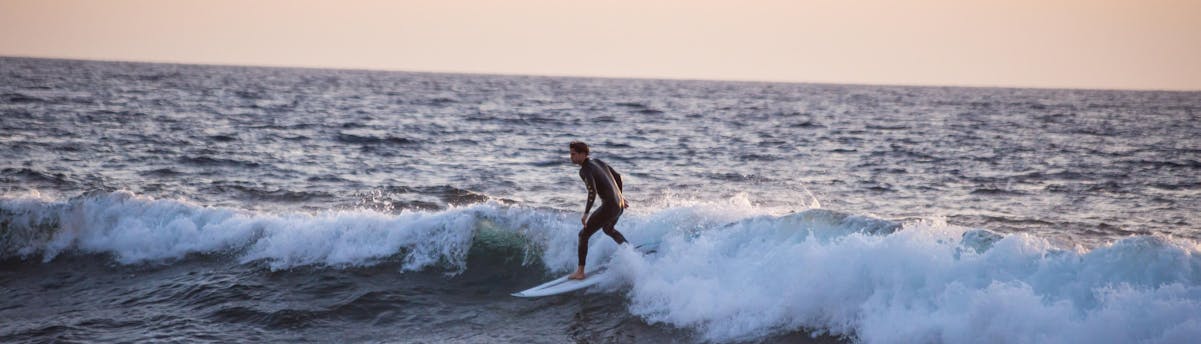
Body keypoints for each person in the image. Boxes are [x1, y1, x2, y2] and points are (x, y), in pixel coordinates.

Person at [567, 141, 629, 280]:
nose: (571, 157)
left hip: (609, 207)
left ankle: (580, 272)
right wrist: (620, 197)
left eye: (574, 154)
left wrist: (586, 213)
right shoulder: (598, 162)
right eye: (570, 154)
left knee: (583, 235)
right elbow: (618, 176)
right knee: (608, 229)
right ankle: (630, 252)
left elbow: (592, 192)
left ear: (583, 154)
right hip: (618, 205)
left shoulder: (585, 170)